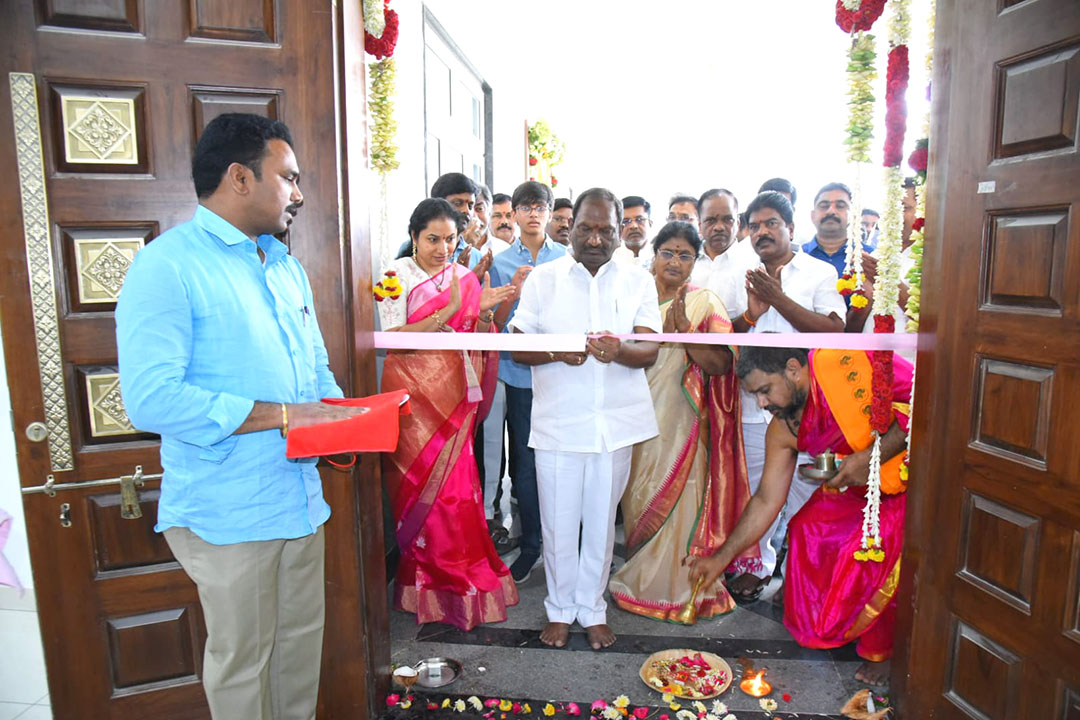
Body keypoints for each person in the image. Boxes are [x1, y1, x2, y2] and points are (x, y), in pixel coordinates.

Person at [116, 113, 371, 719]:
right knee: (243, 670)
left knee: (295, 660)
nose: (300, 194)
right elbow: (151, 398)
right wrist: (285, 415)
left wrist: (348, 420)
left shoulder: (283, 265)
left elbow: (315, 375)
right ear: (239, 178)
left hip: (299, 501)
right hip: (228, 511)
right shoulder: (167, 265)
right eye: (289, 177)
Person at [688, 346, 911, 687]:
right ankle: (841, 618)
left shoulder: (845, 367)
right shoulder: (784, 427)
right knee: (807, 528)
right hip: (855, 488)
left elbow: (924, 405)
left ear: (793, 369)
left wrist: (869, 458)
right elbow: (766, 499)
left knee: (874, 539)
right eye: (756, 396)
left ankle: (885, 648)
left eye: (765, 391)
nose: (762, 404)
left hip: (905, 481)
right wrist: (721, 558)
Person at [510, 188, 661, 650]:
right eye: (586, 228)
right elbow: (517, 347)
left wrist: (620, 351)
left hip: (615, 424)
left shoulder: (639, 279)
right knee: (557, 523)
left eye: (605, 230)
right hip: (560, 422)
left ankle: (592, 609)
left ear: (619, 232)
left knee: (600, 523)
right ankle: (559, 609)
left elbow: (650, 348)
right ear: (569, 226)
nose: (595, 239)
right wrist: (558, 351)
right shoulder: (544, 279)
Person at [376, 198, 518, 630]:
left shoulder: (463, 276)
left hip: (452, 397)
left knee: (455, 494)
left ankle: (456, 580)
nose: (442, 248)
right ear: (414, 236)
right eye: (433, 239)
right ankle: (421, 583)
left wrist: (485, 311)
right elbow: (390, 337)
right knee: (416, 492)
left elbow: (476, 338)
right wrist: (443, 314)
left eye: (451, 239)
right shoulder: (393, 276)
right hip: (409, 397)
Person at [609, 222, 759, 622]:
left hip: (683, 423)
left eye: (685, 255)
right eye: (668, 252)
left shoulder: (705, 303)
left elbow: (723, 364)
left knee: (678, 501)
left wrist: (686, 336)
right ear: (653, 255)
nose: (675, 261)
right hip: (628, 415)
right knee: (636, 499)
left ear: (695, 262)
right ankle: (637, 576)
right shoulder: (629, 298)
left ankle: (675, 588)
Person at [725, 191, 846, 603]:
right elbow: (728, 339)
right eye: (755, 226)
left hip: (808, 408)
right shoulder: (738, 273)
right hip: (755, 405)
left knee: (804, 490)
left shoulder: (818, 272)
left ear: (791, 229)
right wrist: (751, 315)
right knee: (759, 489)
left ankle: (795, 563)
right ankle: (755, 565)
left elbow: (833, 331)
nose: (762, 232)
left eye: (771, 223)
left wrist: (778, 300)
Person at [487, 181, 567, 582]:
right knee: (525, 463)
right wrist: (512, 292)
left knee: (563, 461)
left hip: (560, 373)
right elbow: (492, 324)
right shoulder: (499, 262)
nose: (533, 213)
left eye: (541, 206)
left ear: (550, 213)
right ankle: (533, 543)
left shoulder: (567, 259)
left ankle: (564, 544)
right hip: (518, 374)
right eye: (525, 207)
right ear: (514, 214)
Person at [397, 173, 481, 268]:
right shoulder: (411, 250)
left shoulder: (477, 257)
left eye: (470, 205)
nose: (466, 211)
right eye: (458, 203)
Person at [802, 182, 873, 280]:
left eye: (840, 206)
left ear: (854, 216)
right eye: (824, 206)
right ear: (812, 216)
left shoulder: (870, 258)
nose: (831, 211)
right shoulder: (797, 257)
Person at [689, 188, 752, 292]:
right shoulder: (687, 260)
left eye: (728, 219)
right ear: (700, 225)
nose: (719, 227)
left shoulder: (751, 263)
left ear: (738, 223)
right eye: (711, 220)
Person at [613, 195, 653, 267]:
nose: (633, 226)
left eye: (639, 219)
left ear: (650, 223)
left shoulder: (660, 254)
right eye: (625, 221)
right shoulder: (612, 258)